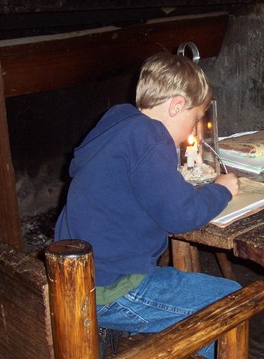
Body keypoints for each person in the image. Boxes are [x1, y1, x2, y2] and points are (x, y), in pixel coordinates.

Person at [55, 52, 241, 359]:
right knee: (230, 300)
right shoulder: (151, 136)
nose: (193, 131)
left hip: (79, 279)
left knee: (202, 302)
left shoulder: (121, 121)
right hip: (110, 290)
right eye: (195, 119)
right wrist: (221, 191)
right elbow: (180, 215)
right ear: (176, 105)